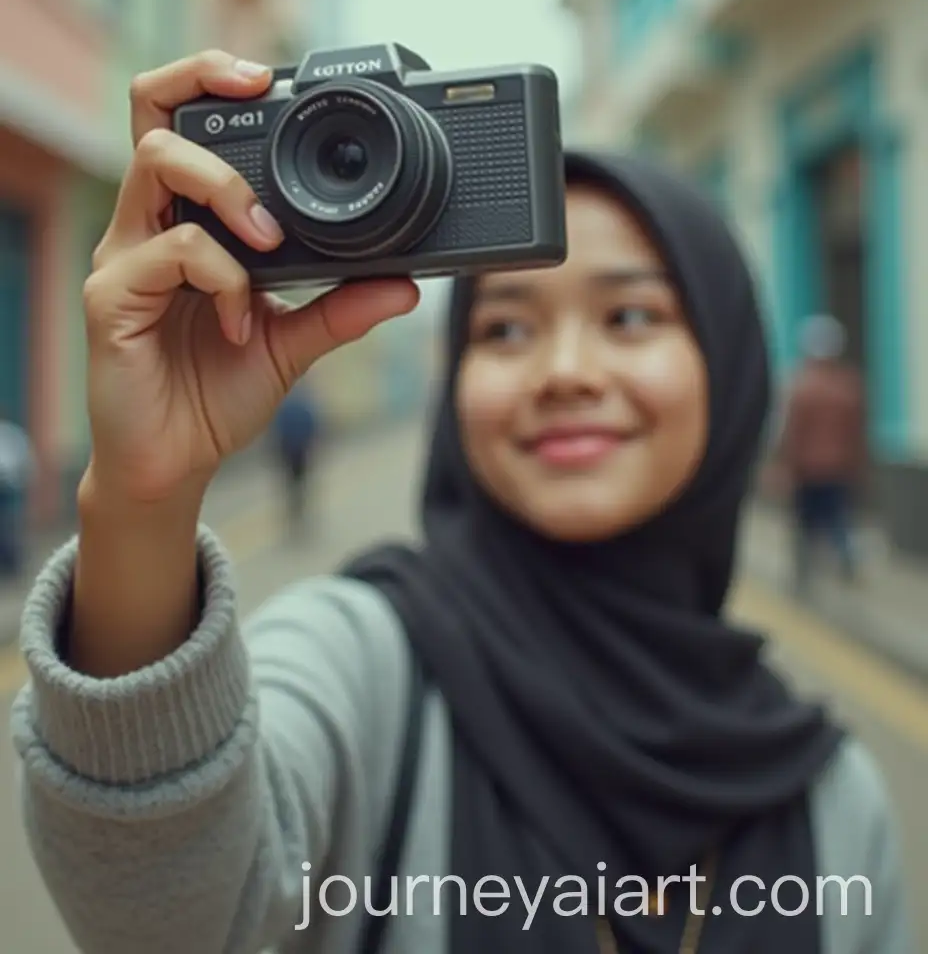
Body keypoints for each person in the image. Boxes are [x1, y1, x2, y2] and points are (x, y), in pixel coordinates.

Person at [10, 53, 911, 954]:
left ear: (730, 361)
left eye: (630, 318)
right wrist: (141, 496)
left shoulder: (837, 807)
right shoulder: (365, 666)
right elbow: (168, 921)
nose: (565, 374)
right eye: (506, 329)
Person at [777, 316, 867, 589]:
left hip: (807, 468)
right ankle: (846, 562)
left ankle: (804, 573)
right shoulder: (849, 386)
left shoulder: (802, 386)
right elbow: (857, 433)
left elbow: (792, 434)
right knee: (838, 519)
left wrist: (783, 468)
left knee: (805, 524)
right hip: (838, 466)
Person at [271, 379, 322, 536]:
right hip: (300, 450)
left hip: (288, 450)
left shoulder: (284, 407)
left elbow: (276, 431)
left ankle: (295, 512)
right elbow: (313, 427)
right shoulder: (304, 406)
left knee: (292, 483)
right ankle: (299, 511)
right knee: (300, 483)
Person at [0, 415, 34, 578]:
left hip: (9, 488)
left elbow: (24, 461)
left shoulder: (12, 435)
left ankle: (13, 564)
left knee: (10, 525)